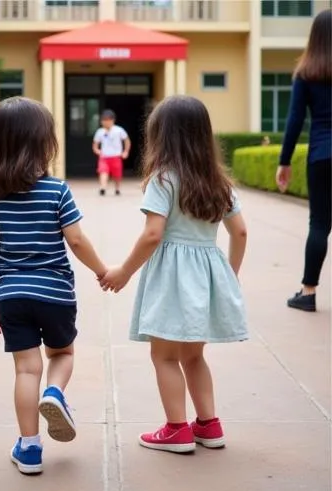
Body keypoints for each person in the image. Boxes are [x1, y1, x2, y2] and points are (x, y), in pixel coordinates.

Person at [101, 96, 248, 455]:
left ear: (161, 138)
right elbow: (240, 232)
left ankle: (177, 430)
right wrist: (229, 275)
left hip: (171, 278)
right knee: (194, 356)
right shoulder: (220, 183)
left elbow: (153, 234)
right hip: (205, 273)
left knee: (164, 356)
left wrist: (123, 271)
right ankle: (209, 425)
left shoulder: (164, 178)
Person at [0, 97, 108, 476]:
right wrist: (102, 271)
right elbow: (77, 241)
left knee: (26, 370)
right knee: (62, 354)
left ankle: (30, 449)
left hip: (11, 294)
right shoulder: (57, 191)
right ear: (44, 142)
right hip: (55, 293)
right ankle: (55, 393)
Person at [276, 9, 331, 311]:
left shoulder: (306, 73)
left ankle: (308, 293)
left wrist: (284, 162)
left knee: (320, 223)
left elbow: (295, 120)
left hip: (322, 154)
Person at [92, 110, 131, 197]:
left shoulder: (119, 130)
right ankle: (103, 187)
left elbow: (127, 140)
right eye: (104, 120)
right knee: (103, 171)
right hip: (104, 157)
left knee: (117, 175)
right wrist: (97, 150)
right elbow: (95, 144)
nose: (106, 122)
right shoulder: (100, 131)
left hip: (116, 156)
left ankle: (117, 188)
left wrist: (126, 151)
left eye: (108, 120)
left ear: (112, 120)